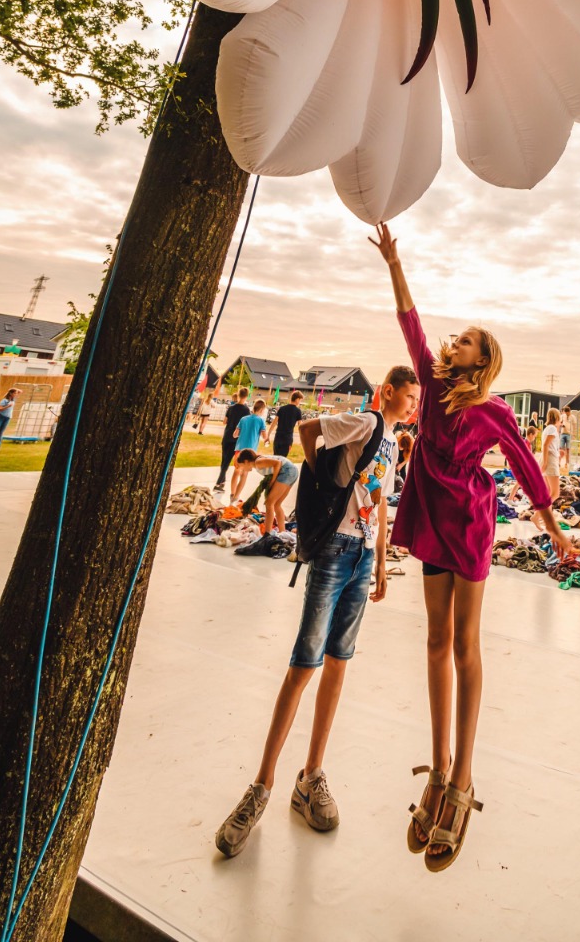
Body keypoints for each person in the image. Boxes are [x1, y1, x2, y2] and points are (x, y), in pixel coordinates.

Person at [371, 222, 572, 873]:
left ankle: (463, 784)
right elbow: (410, 322)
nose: (450, 342)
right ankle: (438, 773)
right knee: (432, 642)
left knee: (464, 645)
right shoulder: (431, 388)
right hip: (430, 518)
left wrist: (554, 529)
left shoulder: (497, 412)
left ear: (480, 361)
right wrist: (395, 261)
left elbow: (527, 470)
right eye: (453, 337)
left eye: (464, 341)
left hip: (473, 525)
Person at [215, 366, 418, 857]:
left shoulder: (390, 440)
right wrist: (325, 479)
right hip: (333, 554)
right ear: (387, 392)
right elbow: (309, 430)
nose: (413, 405)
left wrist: (384, 561)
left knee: (337, 665)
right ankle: (261, 786)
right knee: (303, 666)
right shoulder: (367, 423)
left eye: (416, 400)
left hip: (364, 557)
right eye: (408, 396)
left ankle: (310, 777)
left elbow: (381, 498)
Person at [237, 448, 300, 534]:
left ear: (246, 461)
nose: (242, 469)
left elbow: (278, 463)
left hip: (287, 471)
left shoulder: (258, 463)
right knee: (277, 504)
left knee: (269, 503)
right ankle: (282, 532)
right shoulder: (258, 464)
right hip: (292, 471)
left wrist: (273, 482)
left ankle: (267, 533)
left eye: (241, 466)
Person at [230, 398, 268, 503]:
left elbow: (235, 434)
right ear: (261, 409)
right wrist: (265, 440)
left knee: (236, 471)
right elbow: (265, 437)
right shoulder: (260, 421)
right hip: (250, 451)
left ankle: (232, 493)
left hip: (239, 449)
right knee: (244, 474)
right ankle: (236, 497)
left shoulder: (243, 419)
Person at [214, 387, 250, 492]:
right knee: (228, 461)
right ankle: (219, 482)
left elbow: (224, 421)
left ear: (238, 395)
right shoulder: (246, 410)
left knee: (224, 459)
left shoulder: (231, 408)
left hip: (227, 435)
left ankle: (221, 481)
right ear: (247, 396)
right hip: (237, 439)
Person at [271, 389, 305, 458]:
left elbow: (274, 423)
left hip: (278, 437)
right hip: (287, 439)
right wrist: (302, 440)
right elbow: (300, 427)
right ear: (297, 399)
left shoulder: (282, 408)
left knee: (275, 458)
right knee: (282, 459)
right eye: (300, 400)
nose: (300, 402)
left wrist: (268, 435)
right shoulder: (298, 411)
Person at [541, 407, 562, 502]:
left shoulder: (547, 429)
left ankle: (541, 515)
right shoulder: (553, 428)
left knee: (549, 492)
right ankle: (537, 516)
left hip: (548, 458)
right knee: (555, 493)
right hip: (550, 459)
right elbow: (546, 445)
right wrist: (545, 462)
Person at [558, 408, 572, 474]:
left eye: (568, 412)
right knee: (561, 448)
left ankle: (567, 463)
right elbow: (559, 423)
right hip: (563, 434)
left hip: (569, 434)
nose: (567, 414)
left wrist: (573, 434)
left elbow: (574, 425)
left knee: (568, 449)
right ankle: (559, 462)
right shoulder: (562, 416)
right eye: (566, 413)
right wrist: (562, 425)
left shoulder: (572, 417)